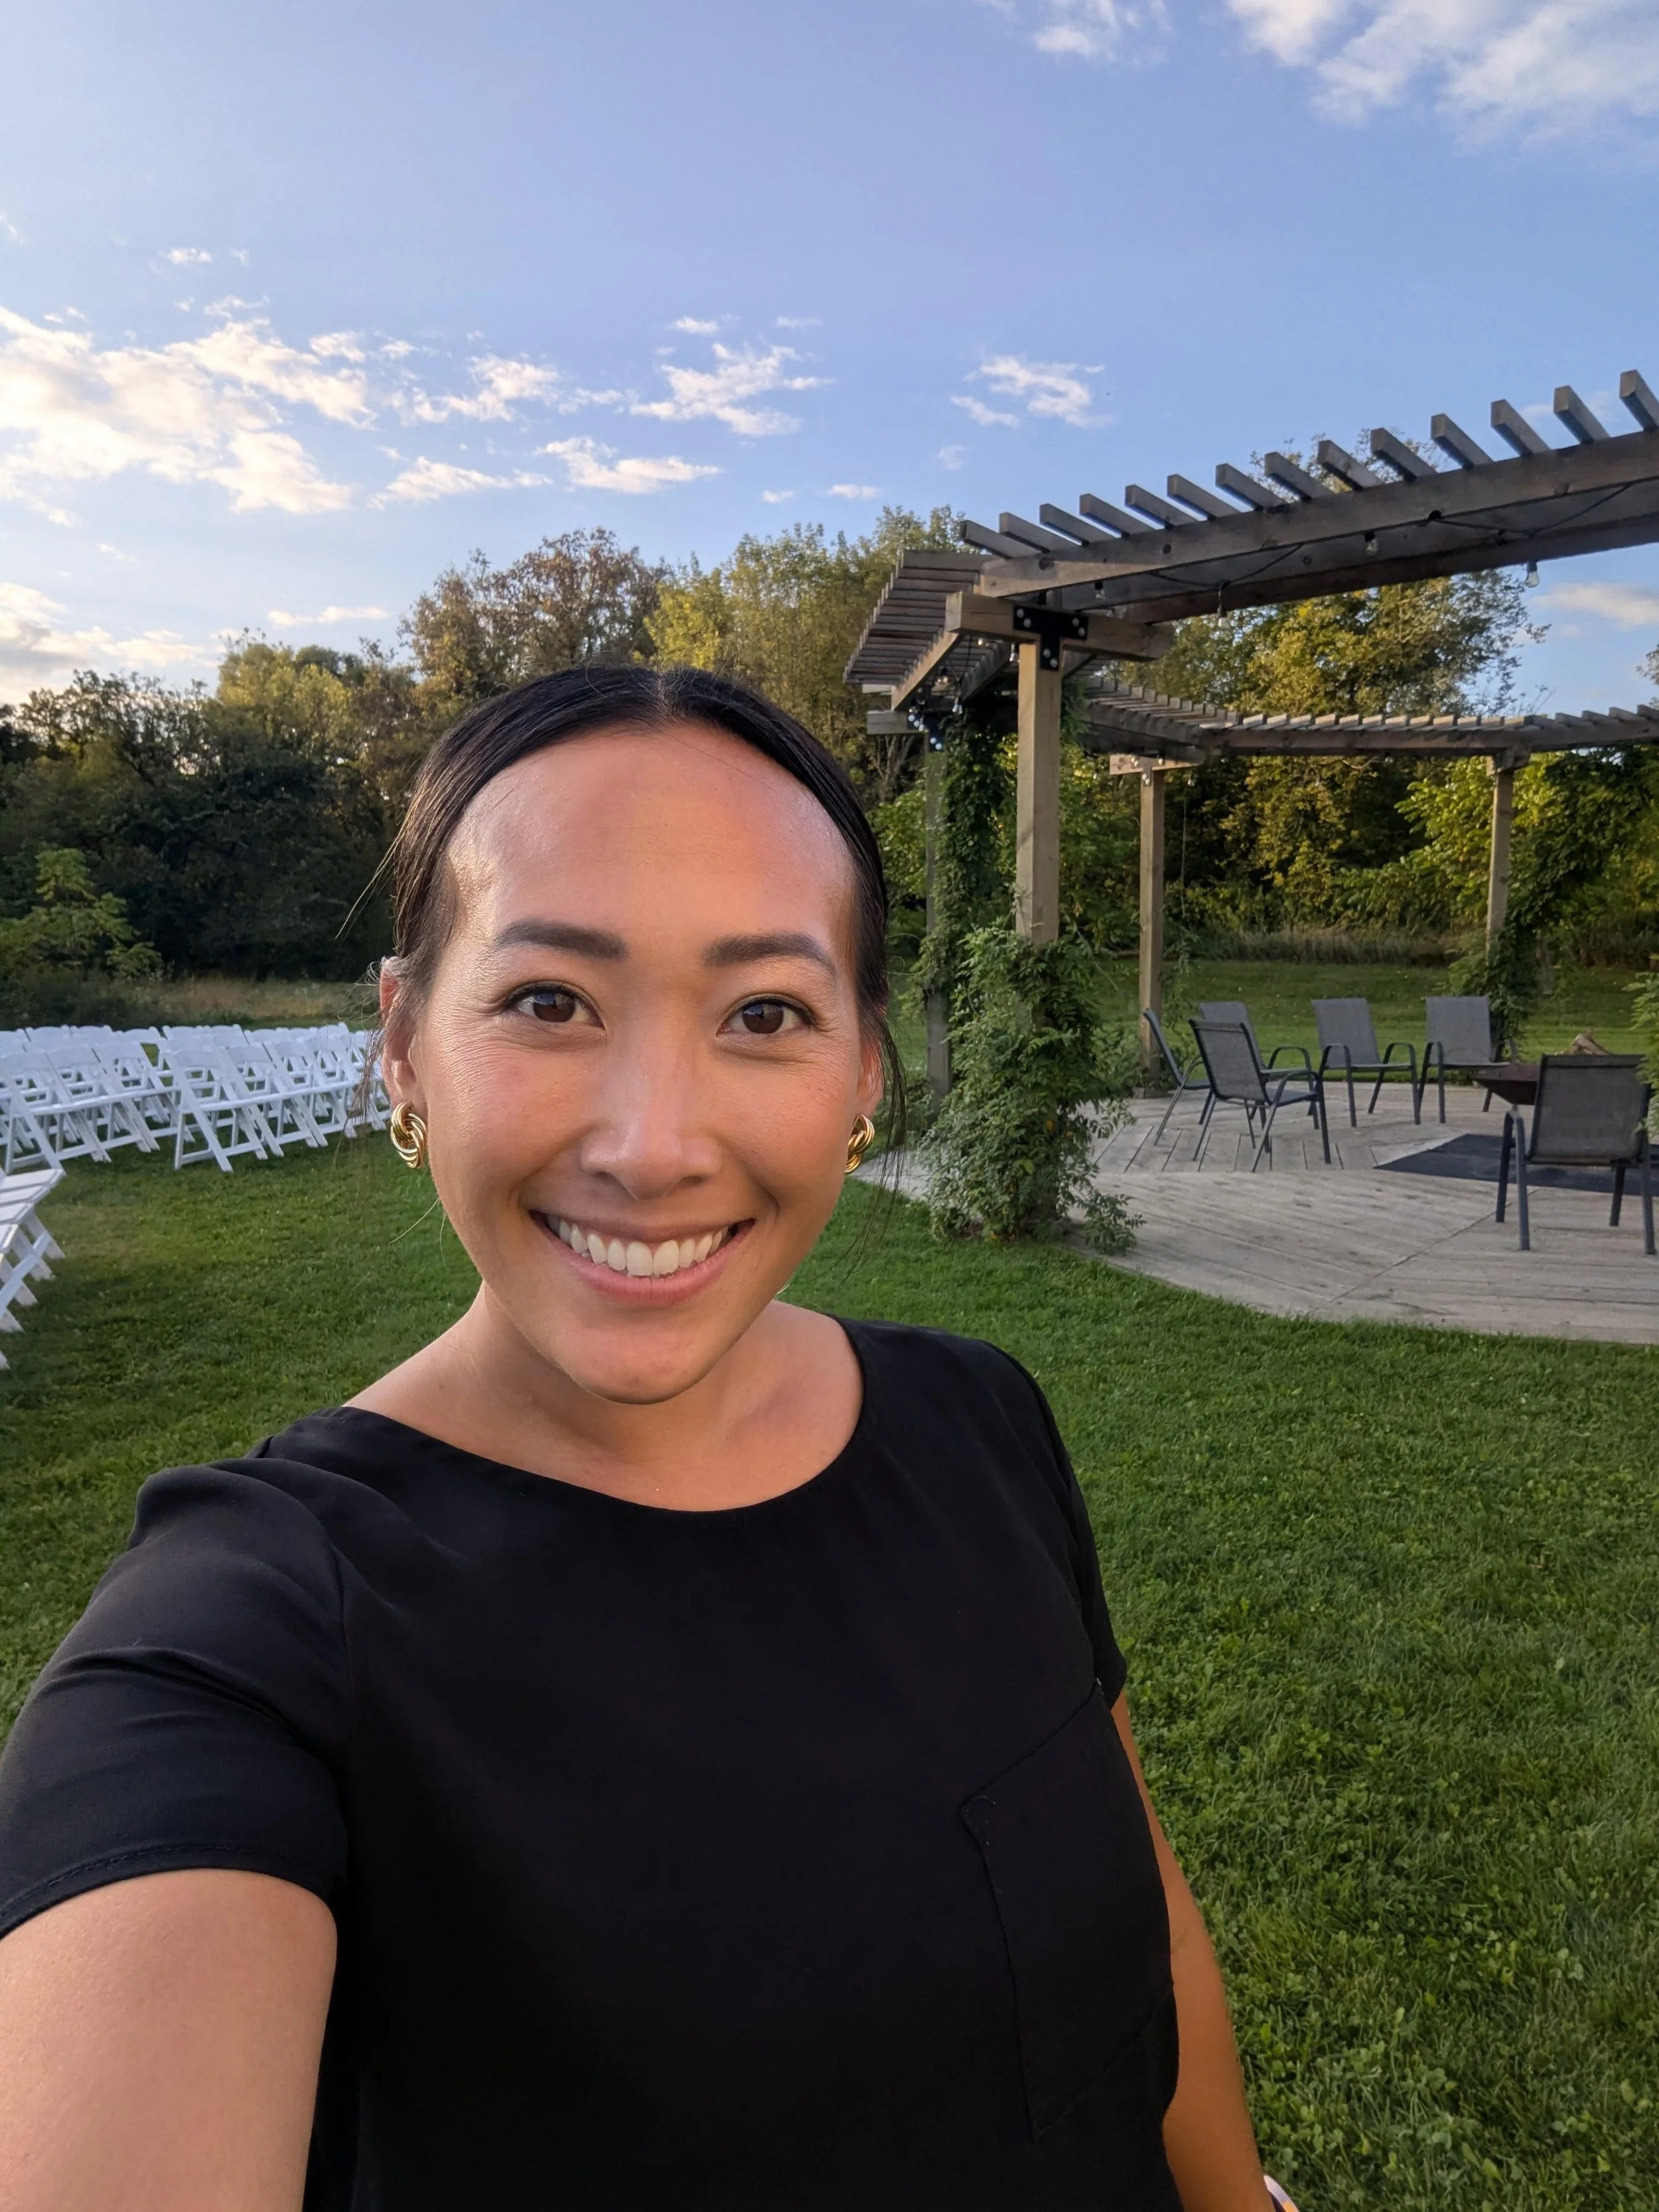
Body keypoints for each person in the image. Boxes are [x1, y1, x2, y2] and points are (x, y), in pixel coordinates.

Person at [0, 666, 1284, 2211]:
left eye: (765, 1012)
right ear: (402, 1043)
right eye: (549, 1001)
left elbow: (1141, 1928)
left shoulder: (980, 1421)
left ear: (864, 1070)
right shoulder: (250, 1633)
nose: (652, 1146)